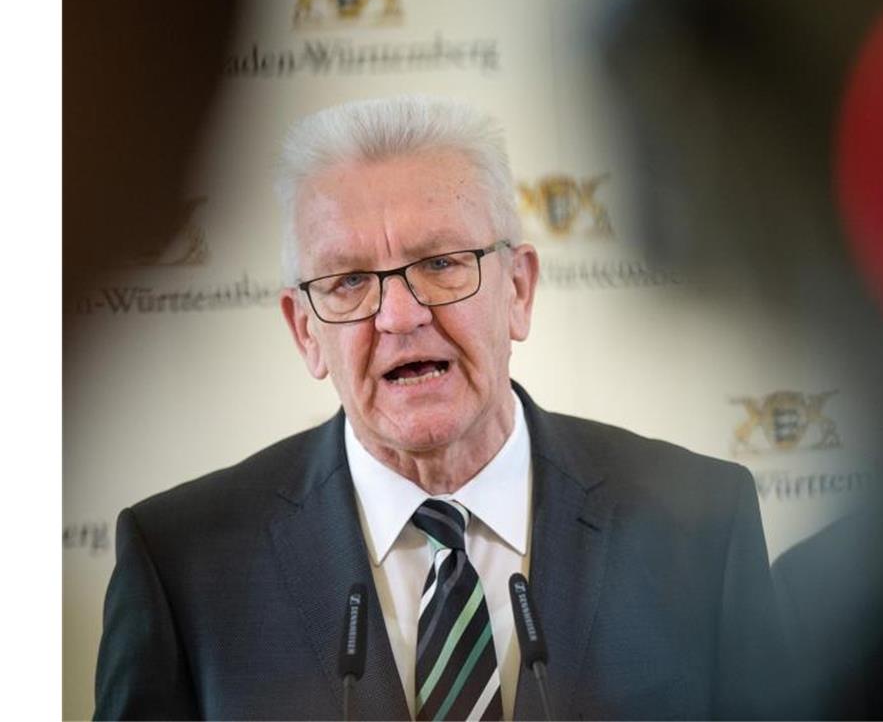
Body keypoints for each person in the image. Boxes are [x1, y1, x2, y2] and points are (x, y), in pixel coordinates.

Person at [94, 96, 789, 720]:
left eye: (441, 263)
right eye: (349, 281)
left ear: (517, 289)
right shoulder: (182, 566)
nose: (400, 315)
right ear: (306, 330)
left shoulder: (701, 525)